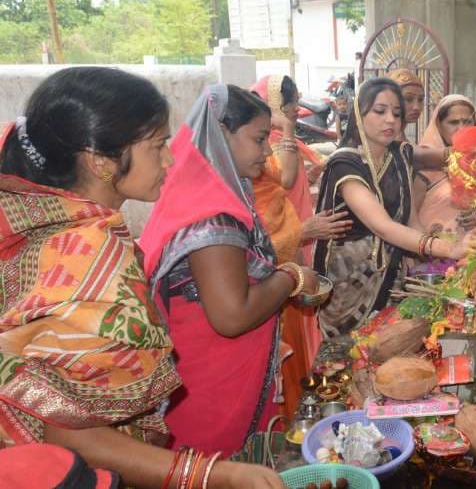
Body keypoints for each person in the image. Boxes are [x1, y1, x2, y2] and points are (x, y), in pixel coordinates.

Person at [0, 68, 284, 488]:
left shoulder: (35, 218)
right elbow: (74, 433)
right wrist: (216, 474)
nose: (170, 158)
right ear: (100, 160)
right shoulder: (89, 252)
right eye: (157, 145)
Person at [140, 84, 318, 459]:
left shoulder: (203, 193)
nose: (267, 150)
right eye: (258, 139)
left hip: (213, 371)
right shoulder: (211, 215)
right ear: (221, 134)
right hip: (211, 387)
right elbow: (231, 316)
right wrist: (292, 277)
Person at [313, 78, 476, 338]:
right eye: (379, 111)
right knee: (345, 360)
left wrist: (434, 255)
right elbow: (384, 226)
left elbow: (409, 218)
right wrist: (449, 248)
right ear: (360, 113)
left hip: (391, 273)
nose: (390, 119)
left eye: (396, 113)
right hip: (348, 281)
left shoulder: (399, 155)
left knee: (386, 350)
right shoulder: (344, 163)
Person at [249, 74, 350, 411]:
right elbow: (283, 182)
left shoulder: (267, 148)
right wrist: (303, 231)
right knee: (285, 346)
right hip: (273, 265)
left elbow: (285, 186)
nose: (294, 110)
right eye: (288, 104)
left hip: (291, 252)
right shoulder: (267, 147)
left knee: (301, 337)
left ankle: (300, 405)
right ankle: (290, 412)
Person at [414, 94, 476, 236]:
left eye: (467, 122)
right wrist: (427, 242)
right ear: (439, 125)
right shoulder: (425, 163)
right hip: (431, 252)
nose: (461, 128)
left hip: (474, 250)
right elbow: (410, 218)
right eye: (453, 122)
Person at [387, 69, 425, 142]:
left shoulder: (401, 138)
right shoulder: (384, 140)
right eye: (408, 99)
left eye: (420, 100)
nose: (416, 107)